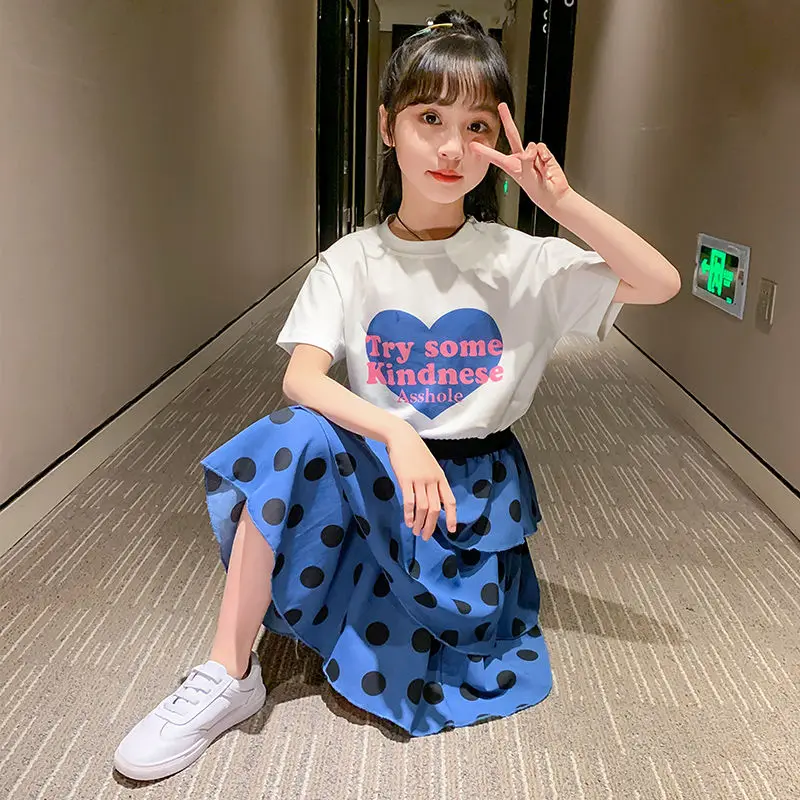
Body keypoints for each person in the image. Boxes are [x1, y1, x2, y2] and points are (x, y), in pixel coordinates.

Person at [113, 9, 680, 782]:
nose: (452, 147)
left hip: (469, 499)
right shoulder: (351, 260)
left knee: (433, 659)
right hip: (379, 472)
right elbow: (302, 378)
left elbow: (660, 283)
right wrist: (397, 433)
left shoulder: (523, 261)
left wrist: (561, 205)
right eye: (429, 118)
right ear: (387, 126)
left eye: (477, 126)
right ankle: (227, 672)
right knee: (291, 434)